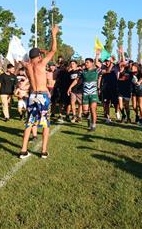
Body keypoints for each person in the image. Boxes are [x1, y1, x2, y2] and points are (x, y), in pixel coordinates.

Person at [18, 25, 59, 159]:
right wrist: (53, 34)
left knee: (30, 122)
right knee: (45, 124)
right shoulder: (41, 64)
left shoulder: (27, 66)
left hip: (32, 95)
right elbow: (53, 50)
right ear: (39, 55)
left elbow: (22, 61)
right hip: (42, 95)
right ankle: (43, 151)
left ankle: (23, 150)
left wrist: (37, 52)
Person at [68, 51, 101, 131]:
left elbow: (99, 65)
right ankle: (88, 117)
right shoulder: (83, 71)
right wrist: (70, 87)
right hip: (85, 94)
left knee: (93, 109)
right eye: (85, 62)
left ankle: (93, 125)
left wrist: (96, 56)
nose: (86, 64)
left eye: (87, 62)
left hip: (93, 94)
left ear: (92, 63)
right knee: (85, 112)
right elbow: (76, 80)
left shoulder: (96, 71)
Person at [100, 57, 119, 124]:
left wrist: (121, 53)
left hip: (114, 88)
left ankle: (116, 112)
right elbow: (107, 71)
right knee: (106, 103)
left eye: (108, 61)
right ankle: (108, 118)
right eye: (106, 61)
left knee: (116, 103)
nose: (107, 62)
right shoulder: (103, 67)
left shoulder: (116, 67)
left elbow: (123, 62)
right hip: (106, 89)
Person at [131, 62, 142, 128]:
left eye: (133, 67)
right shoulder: (131, 73)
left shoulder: (140, 71)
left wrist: (140, 81)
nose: (131, 68)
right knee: (134, 106)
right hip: (134, 90)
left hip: (141, 89)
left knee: (140, 105)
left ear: (136, 67)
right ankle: (137, 115)